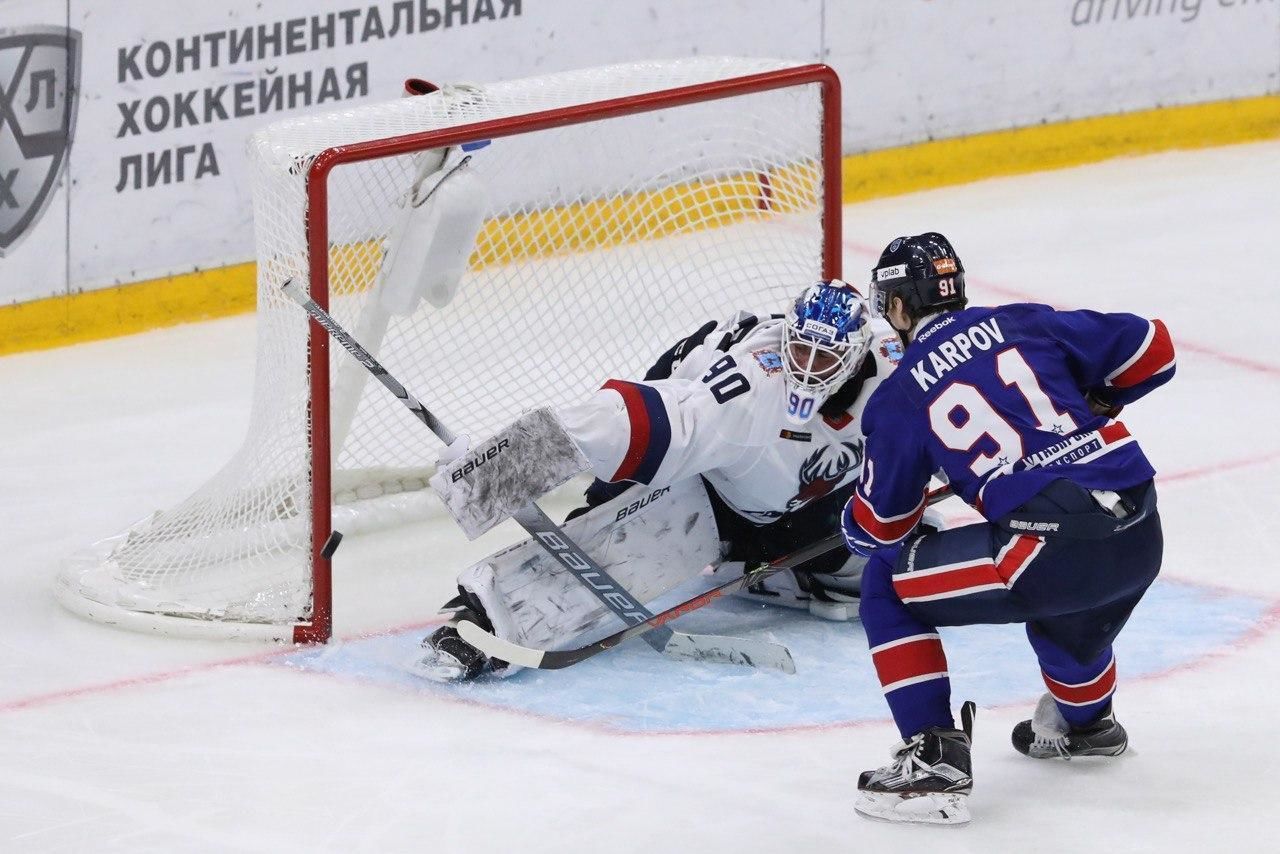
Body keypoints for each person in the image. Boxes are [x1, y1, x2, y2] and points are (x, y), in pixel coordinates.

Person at [840, 233, 1174, 825]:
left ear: (898, 306)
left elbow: (881, 529)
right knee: (1069, 625)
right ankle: (1088, 726)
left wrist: (853, 518)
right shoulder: (1023, 321)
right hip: (1141, 531)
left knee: (887, 584)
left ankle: (933, 762)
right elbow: (1155, 349)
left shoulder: (899, 396)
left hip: (1050, 549)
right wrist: (1097, 400)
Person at [420, 279, 907, 681]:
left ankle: (778, 566)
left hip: (805, 502)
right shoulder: (752, 386)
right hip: (712, 477)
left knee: (885, 568)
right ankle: (479, 626)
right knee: (610, 538)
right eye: (799, 350)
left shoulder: (898, 368)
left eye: (824, 358)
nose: (806, 370)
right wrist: (503, 467)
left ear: (856, 355)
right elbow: (648, 423)